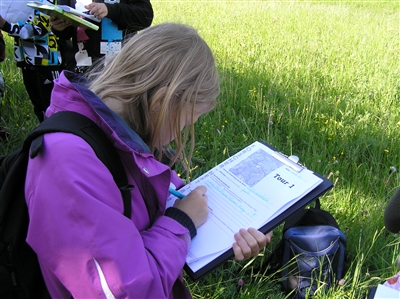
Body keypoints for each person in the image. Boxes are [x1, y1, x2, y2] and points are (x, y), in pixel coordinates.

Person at [24, 23, 272, 298]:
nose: (184, 132)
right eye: (190, 120)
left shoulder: (120, 131)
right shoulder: (68, 162)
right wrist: (181, 222)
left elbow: (140, 183)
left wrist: (220, 219)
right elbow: (124, 291)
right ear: (162, 103)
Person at [0, 0, 74, 122]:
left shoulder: (48, 1)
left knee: (52, 107)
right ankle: (43, 136)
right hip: (26, 62)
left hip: (47, 62)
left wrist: (6, 26)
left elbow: (40, 29)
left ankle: (57, 136)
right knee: (39, 107)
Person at [50, 0, 153, 73]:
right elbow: (68, 30)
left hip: (119, 70)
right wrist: (59, 27)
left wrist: (110, 10)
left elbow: (145, 16)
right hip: (81, 70)